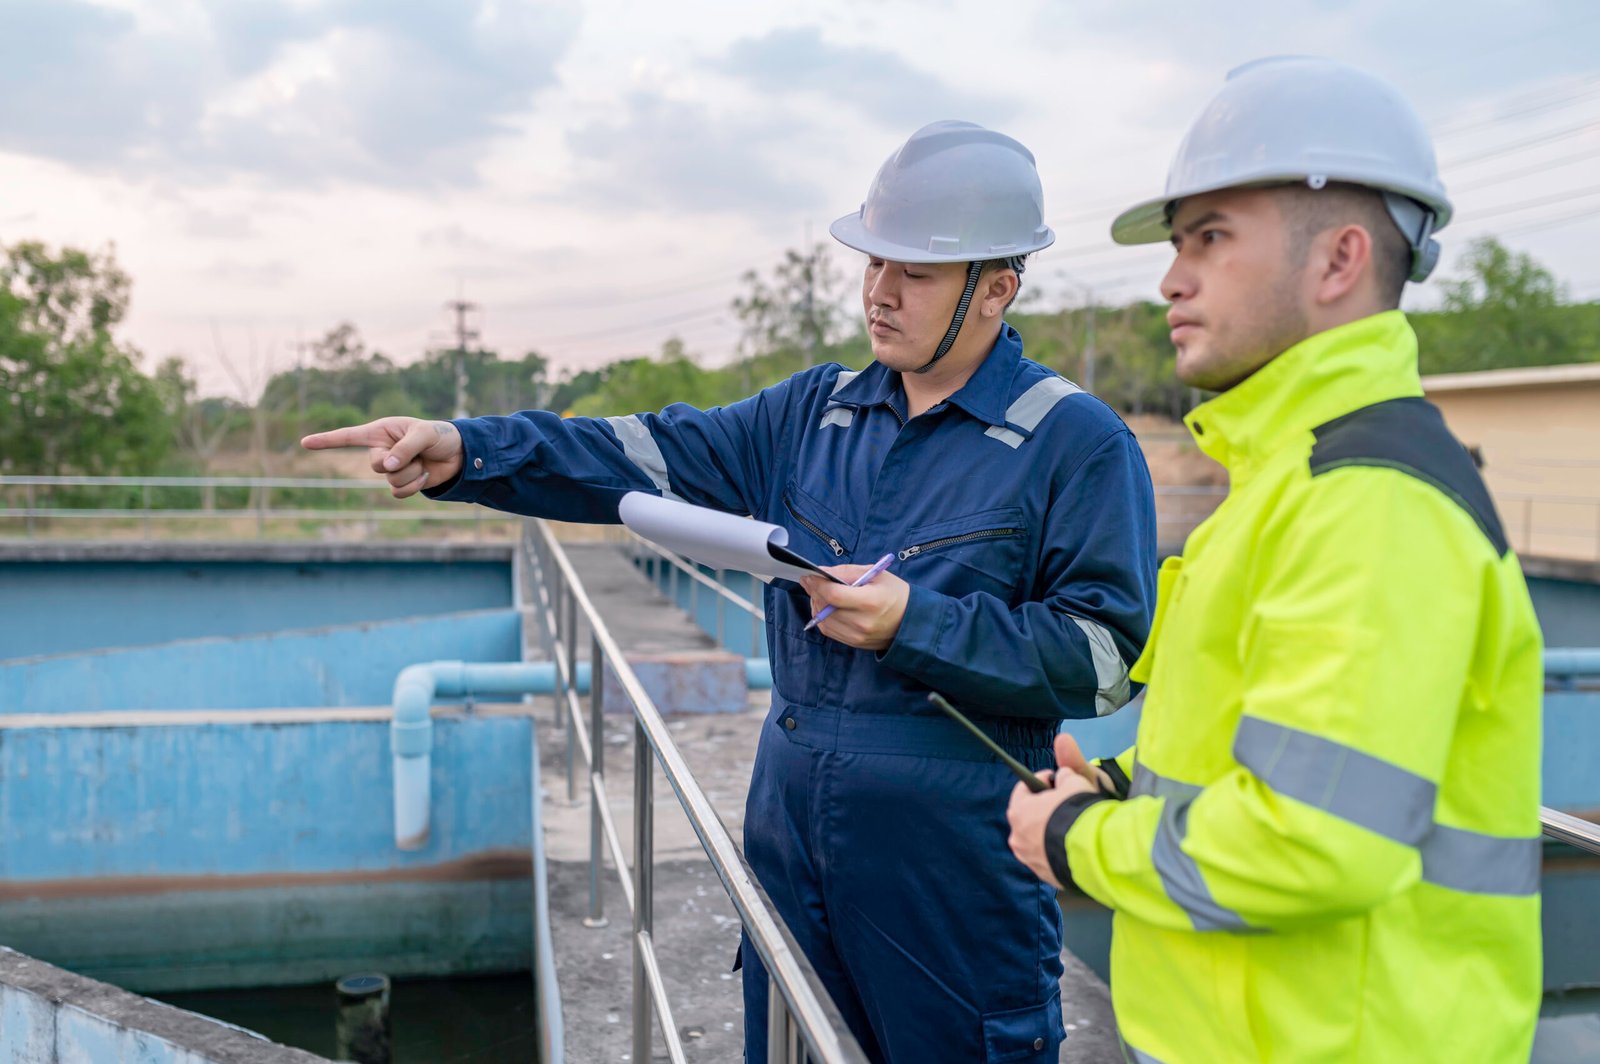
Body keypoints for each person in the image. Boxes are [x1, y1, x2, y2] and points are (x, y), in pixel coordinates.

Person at [306, 119, 1157, 1062]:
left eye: (913, 272)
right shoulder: (813, 414)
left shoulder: (1076, 443)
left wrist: (918, 623)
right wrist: (469, 450)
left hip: (953, 871)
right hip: (792, 840)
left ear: (998, 287)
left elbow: (1107, 661)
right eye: (873, 261)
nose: (878, 292)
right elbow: (637, 454)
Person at [1005, 57, 1543, 1063]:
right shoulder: (1289, 481)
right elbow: (1258, 754)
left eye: (1209, 238)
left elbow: (1309, 841)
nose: (1170, 277)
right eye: (1177, 243)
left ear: (1337, 261)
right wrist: (1120, 785)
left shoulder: (1368, 499)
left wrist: (1079, 839)